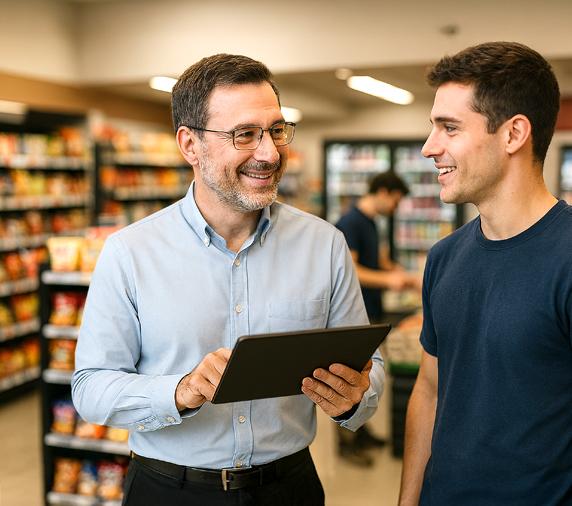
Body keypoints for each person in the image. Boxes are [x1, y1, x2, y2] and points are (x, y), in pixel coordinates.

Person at [71, 53, 385, 506]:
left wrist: (356, 398)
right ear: (190, 146)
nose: (270, 153)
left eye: (276, 130)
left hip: (289, 488)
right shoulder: (130, 252)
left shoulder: (325, 245)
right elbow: (92, 388)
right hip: (169, 491)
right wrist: (179, 391)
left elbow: (369, 370)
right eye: (245, 135)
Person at [398, 41, 572, 506]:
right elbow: (430, 392)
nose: (429, 147)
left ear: (514, 133)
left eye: (449, 128)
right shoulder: (443, 258)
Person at [334, 170, 420, 465]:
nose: (396, 208)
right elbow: (352, 269)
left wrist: (401, 274)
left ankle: (361, 429)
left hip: (371, 310)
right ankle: (346, 444)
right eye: (395, 201)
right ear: (383, 192)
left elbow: (379, 260)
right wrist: (388, 282)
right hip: (353, 314)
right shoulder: (350, 222)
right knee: (347, 376)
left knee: (365, 374)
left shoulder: (370, 222)